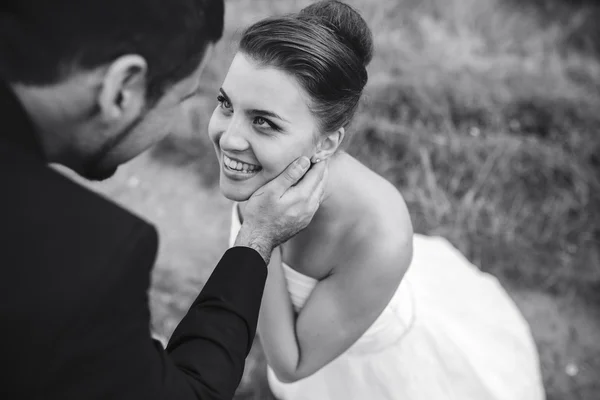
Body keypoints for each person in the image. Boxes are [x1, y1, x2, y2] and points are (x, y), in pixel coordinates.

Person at [212, 1, 547, 399]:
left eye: (263, 122)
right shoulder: (266, 172)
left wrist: (261, 235)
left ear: (328, 141)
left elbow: (292, 365)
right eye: (226, 104)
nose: (228, 138)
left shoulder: (379, 235)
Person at [0, 1, 328, 399]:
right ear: (122, 88)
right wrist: (256, 239)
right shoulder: (82, 261)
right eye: (182, 100)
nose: (228, 139)